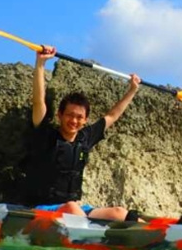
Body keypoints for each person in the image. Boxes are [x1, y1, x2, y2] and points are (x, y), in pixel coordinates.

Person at [22, 46, 141, 221]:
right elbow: (38, 102)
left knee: (119, 212)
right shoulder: (45, 135)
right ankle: (92, 232)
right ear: (60, 115)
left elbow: (112, 116)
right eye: (70, 115)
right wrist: (40, 64)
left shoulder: (85, 138)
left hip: (77, 209)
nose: (74, 121)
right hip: (43, 209)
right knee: (71, 207)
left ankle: (158, 231)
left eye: (79, 117)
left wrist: (132, 90)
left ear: (85, 120)